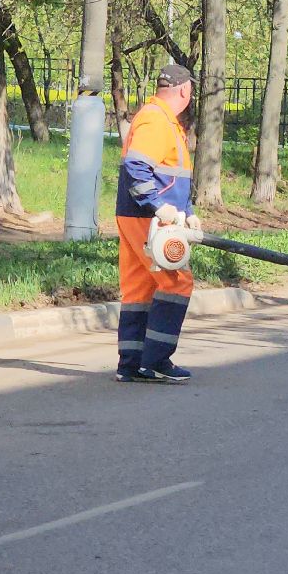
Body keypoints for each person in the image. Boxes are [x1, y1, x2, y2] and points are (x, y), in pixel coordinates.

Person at [115, 62, 200, 383]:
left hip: (140, 216)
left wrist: (188, 211)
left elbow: (171, 176)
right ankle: (155, 360)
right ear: (185, 91)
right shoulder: (156, 120)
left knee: (141, 286)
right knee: (177, 282)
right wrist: (158, 206)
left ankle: (131, 364)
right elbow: (136, 167)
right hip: (150, 220)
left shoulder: (161, 120)